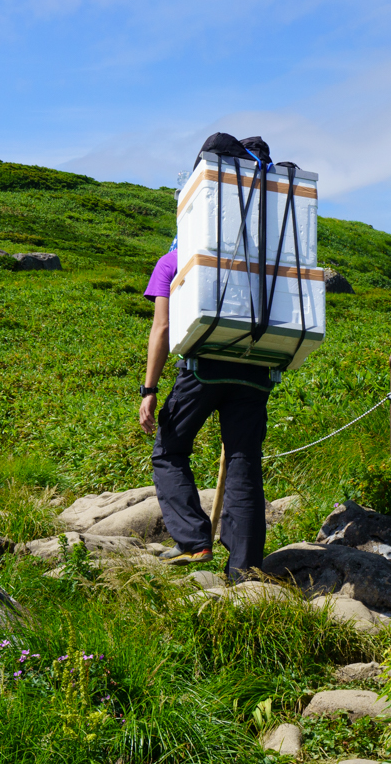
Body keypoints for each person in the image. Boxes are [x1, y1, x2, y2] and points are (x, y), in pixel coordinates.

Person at [139, 242, 274, 582]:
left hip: (204, 369)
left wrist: (149, 390)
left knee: (169, 451)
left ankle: (193, 541)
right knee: (244, 460)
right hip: (256, 370)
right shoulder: (255, 261)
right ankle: (245, 570)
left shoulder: (172, 261)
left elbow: (163, 328)